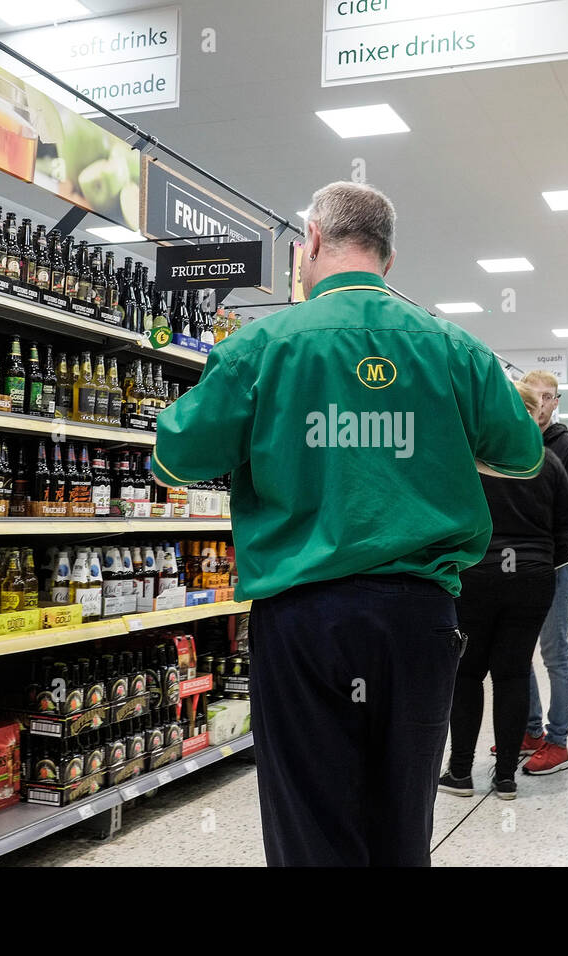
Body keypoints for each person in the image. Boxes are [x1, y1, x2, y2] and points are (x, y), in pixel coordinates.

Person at [153, 181, 545, 867]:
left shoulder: (262, 345)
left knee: (312, 824)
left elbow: (173, 458)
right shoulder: (453, 348)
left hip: (304, 618)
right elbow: (522, 452)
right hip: (421, 618)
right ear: (388, 258)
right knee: (401, 822)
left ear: (309, 241)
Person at [441, 382, 568, 800]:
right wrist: (539, 555)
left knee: (467, 675)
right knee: (513, 672)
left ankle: (461, 772)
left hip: (476, 576)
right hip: (533, 579)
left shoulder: (469, 460)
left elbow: (447, 519)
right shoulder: (547, 462)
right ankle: (505, 778)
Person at [517, 370, 568, 776]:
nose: (540, 405)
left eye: (547, 397)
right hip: (519, 568)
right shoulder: (510, 442)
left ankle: (557, 740)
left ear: (556, 401)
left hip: (554, 565)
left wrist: (541, 541)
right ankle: (530, 731)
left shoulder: (567, 448)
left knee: (555, 654)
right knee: (517, 653)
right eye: (533, 397)